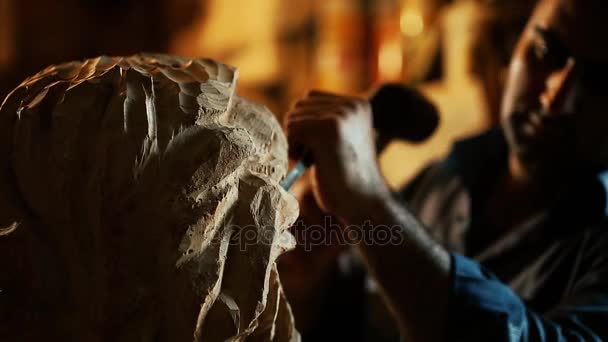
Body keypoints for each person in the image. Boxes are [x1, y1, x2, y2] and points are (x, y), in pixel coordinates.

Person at [284, 0, 608, 340]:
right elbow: (341, 318)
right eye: (545, 51)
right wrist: (311, 278)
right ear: (516, 44)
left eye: (599, 81)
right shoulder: (445, 178)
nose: (555, 97)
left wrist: (369, 201)